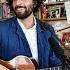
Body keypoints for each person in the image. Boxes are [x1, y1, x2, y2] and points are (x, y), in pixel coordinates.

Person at [0, 0, 64, 70]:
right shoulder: (1, 28)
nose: (18, 3)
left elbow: (56, 62)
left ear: (35, 2)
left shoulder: (48, 29)